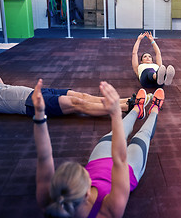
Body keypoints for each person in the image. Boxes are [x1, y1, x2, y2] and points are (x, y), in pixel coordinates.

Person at [33, 78, 165, 217]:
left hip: (99, 160)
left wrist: (40, 114)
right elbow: (120, 161)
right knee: (143, 135)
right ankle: (155, 109)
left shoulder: (49, 203)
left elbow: (44, 157)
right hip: (129, 171)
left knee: (117, 132)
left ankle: (137, 109)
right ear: (86, 194)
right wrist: (115, 114)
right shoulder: (108, 211)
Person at [0, 65, 140, 117]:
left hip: (38, 92)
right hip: (31, 104)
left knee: (82, 95)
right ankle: (128, 107)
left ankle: (126, 101)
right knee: (77, 103)